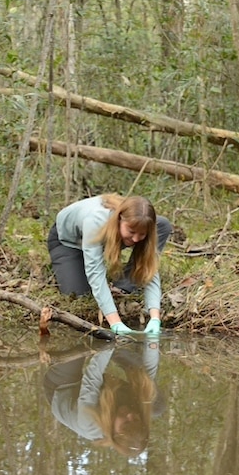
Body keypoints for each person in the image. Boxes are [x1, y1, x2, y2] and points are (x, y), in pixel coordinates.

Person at [47, 194, 172, 335]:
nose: (136, 239)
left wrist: (155, 318)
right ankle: (68, 265)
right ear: (119, 220)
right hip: (68, 242)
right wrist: (116, 323)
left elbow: (149, 267)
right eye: (131, 232)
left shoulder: (139, 228)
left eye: (141, 234)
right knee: (79, 293)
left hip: (106, 235)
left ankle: (124, 284)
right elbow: (96, 273)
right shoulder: (95, 221)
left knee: (162, 224)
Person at [43, 341, 163, 457]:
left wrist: (108, 343)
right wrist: (153, 336)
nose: (130, 415)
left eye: (126, 423)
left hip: (64, 387)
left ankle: (109, 346)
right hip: (105, 399)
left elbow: (92, 379)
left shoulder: (90, 423)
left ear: (113, 433)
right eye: (136, 420)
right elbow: (148, 373)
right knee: (154, 401)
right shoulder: (137, 411)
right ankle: (119, 351)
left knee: (78, 345)